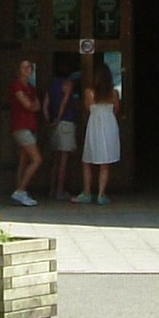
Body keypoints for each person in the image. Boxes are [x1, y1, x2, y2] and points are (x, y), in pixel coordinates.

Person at [73, 61, 121, 205]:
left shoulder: (89, 92)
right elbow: (116, 109)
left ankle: (87, 192)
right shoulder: (114, 93)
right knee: (105, 163)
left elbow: (88, 108)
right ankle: (101, 194)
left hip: (94, 125)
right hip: (109, 125)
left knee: (88, 160)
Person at [42, 53, 80, 201]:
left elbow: (45, 105)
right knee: (64, 160)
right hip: (65, 122)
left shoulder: (51, 84)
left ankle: (52, 189)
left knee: (55, 159)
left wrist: (49, 120)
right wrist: (58, 118)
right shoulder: (68, 83)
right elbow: (65, 102)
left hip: (53, 125)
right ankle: (60, 191)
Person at [8, 59, 42, 206]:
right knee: (37, 159)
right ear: (19, 70)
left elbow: (37, 106)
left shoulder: (31, 87)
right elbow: (28, 105)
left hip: (31, 125)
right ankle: (20, 191)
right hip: (21, 126)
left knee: (24, 159)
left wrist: (32, 105)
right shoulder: (16, 86)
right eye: (25, 67)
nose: (28, 70)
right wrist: (32, 105)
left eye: (30, 67)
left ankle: (20, 190)